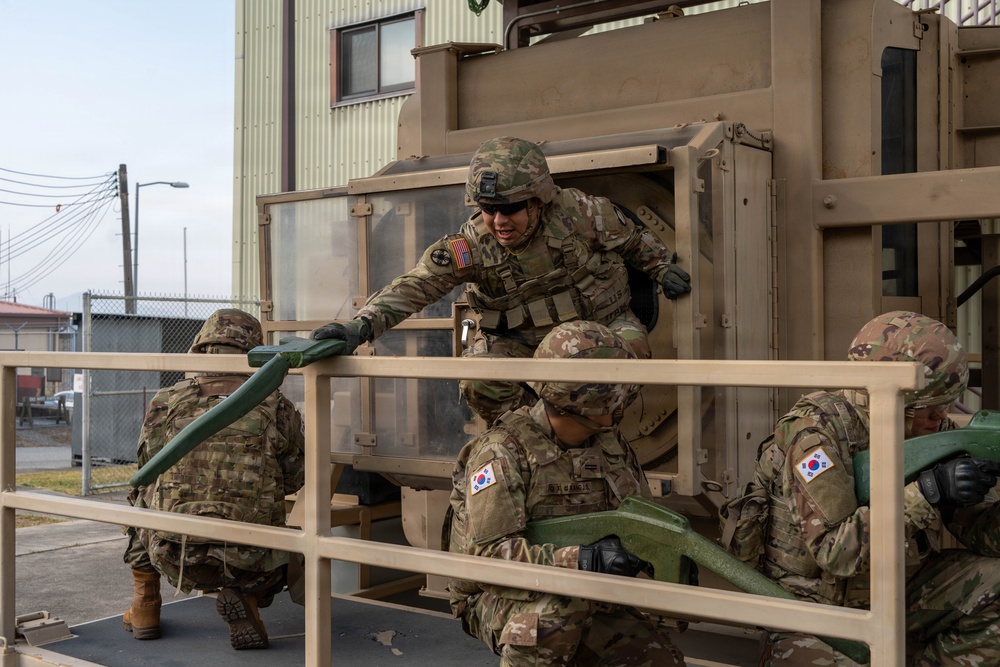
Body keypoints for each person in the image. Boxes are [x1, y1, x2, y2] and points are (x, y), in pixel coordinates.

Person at [312, 136, 692, 424]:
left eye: (510, 209)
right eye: (489, 209)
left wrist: (660, 267)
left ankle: (587, 433)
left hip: (604, 327)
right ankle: (532, 437)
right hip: (521, 344)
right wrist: (359, 326)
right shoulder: (471, 244)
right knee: (480, 378)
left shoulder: (580, 213)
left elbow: (630, 239)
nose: (499, 221)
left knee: (627, 362)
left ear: (539, 200)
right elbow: (416, 285)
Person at [742, 310, 1000, 665]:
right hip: (817, 609)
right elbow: (836, 553)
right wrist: (928, 493)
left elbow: (981, 533)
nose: (941, 419)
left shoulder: (923, 428)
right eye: (930, 410)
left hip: (896, 588)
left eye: (945, 407)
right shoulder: (815, 433)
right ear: (898, 398)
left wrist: (986, 483)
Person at [446, 320, 686, 666]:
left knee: (658, 660)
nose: (622, 408)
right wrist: (582, 560)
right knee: (554, 619)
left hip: (586, 590)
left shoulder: (609, 443)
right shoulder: (502, 451)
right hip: (499, 595)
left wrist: (667, 556)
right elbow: (489, 559)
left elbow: (636, 518)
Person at [121, 309, 305, 650]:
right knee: (276, 520)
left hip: (175, 555)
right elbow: (295, 477)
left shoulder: (167, 401)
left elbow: (147, 466)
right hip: (252, 560)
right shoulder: (277, 405)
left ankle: (145, 604)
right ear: (254, 350)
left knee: (139, 496)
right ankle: (247, 597)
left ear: (199, 348)